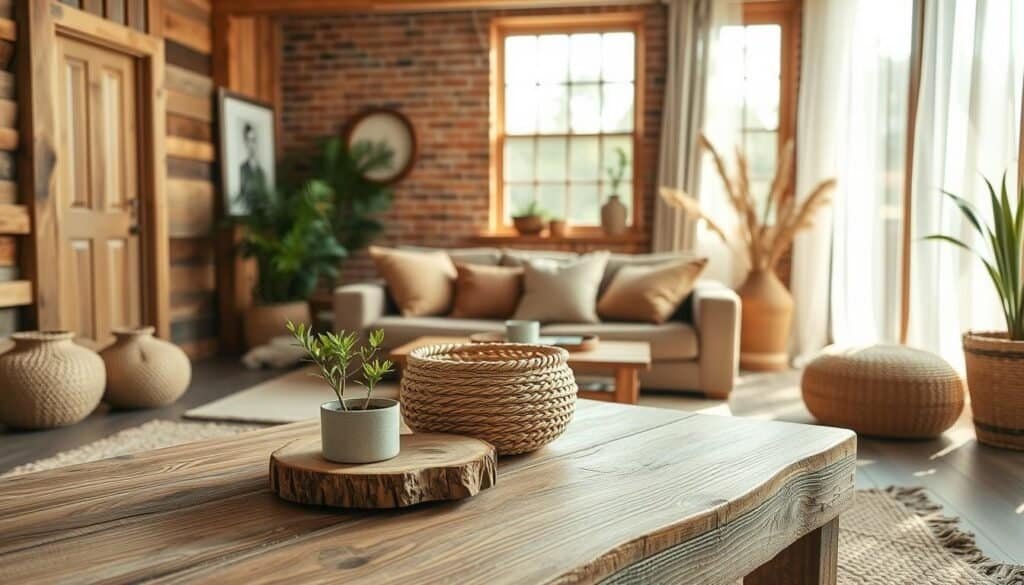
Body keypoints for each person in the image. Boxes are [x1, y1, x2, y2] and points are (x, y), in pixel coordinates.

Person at [235, 122, 266, 212]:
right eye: (249, 140)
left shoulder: (261, 172)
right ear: (245, 143)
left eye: (253, 140)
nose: (252, 144)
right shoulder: (241, 169)